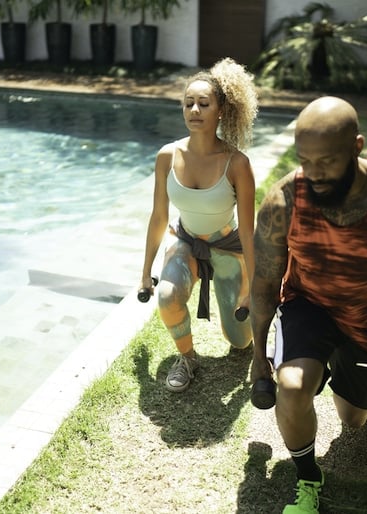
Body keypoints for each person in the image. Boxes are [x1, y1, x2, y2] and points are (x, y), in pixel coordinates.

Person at [249, 96, 367, 513]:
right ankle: (308, 477)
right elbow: (264, 282)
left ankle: (334, 375)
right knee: (293, 389)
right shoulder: (285, 201)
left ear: (358, 146)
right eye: (305, 161)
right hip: (307, 306)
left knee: (353, 421)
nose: (314, 174)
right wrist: (258, 356)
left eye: (327, 162)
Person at [139, 58, 259, 392]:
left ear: (221, 111)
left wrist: (252, 288)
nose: (194, 109)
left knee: (238, 340)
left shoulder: (238, 164)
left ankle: (246, 335)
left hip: (227, 245)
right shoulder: (167, 155)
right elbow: (159, 217)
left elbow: (248, 231)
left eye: (203, 104)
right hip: (185, 239)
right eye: (188, 103)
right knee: (168, 295)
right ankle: (188, 358)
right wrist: (145, 271)